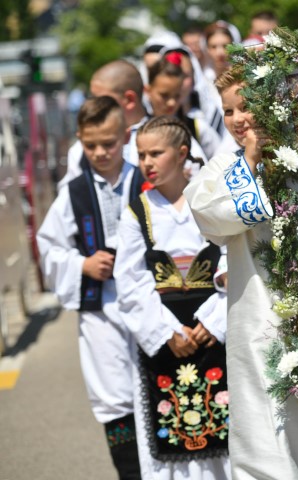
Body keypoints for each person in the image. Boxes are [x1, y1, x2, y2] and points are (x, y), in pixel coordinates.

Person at [184, 68, 298, 479]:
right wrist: (249, 161)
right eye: (228, 110)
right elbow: (211, 216)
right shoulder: (223, 166)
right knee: (267, 428)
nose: (237, 118)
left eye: (246, 105)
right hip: (258, 318)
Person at [114, 116, 230, 479]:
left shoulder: (208, 199)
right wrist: (168, 332)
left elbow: (232, 261)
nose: (147, 162)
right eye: (141, 154)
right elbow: (130, 281)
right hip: (167, 338)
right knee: (171, 424)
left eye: (156, 153)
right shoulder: (137, 211)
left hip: (213, 332)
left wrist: (214, 321)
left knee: (226, 427)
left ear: (182, 153)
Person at [37, 96, 145, 479]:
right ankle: (130, 473)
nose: (100, 152)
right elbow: (49, 245)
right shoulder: (74, 192)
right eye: (90, 145)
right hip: (100, 310)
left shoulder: (146, 180)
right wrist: (81, 263)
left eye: (109, 143)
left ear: (126, 136)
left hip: (150, 307)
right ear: (80, 141)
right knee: (113, 398)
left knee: (156, 390)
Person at [57, 60, 149, 190]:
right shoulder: (81, 151)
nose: (94, 104)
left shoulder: (166, 137)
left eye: (102, 99)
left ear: (129, 99)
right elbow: (70, 197)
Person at [146, 57, 220, 160]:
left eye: (177, 96)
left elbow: (220, 161)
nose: (172, 102)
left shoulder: (196, 128)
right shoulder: (138, 129)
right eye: (164, 95)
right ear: (148, 91)